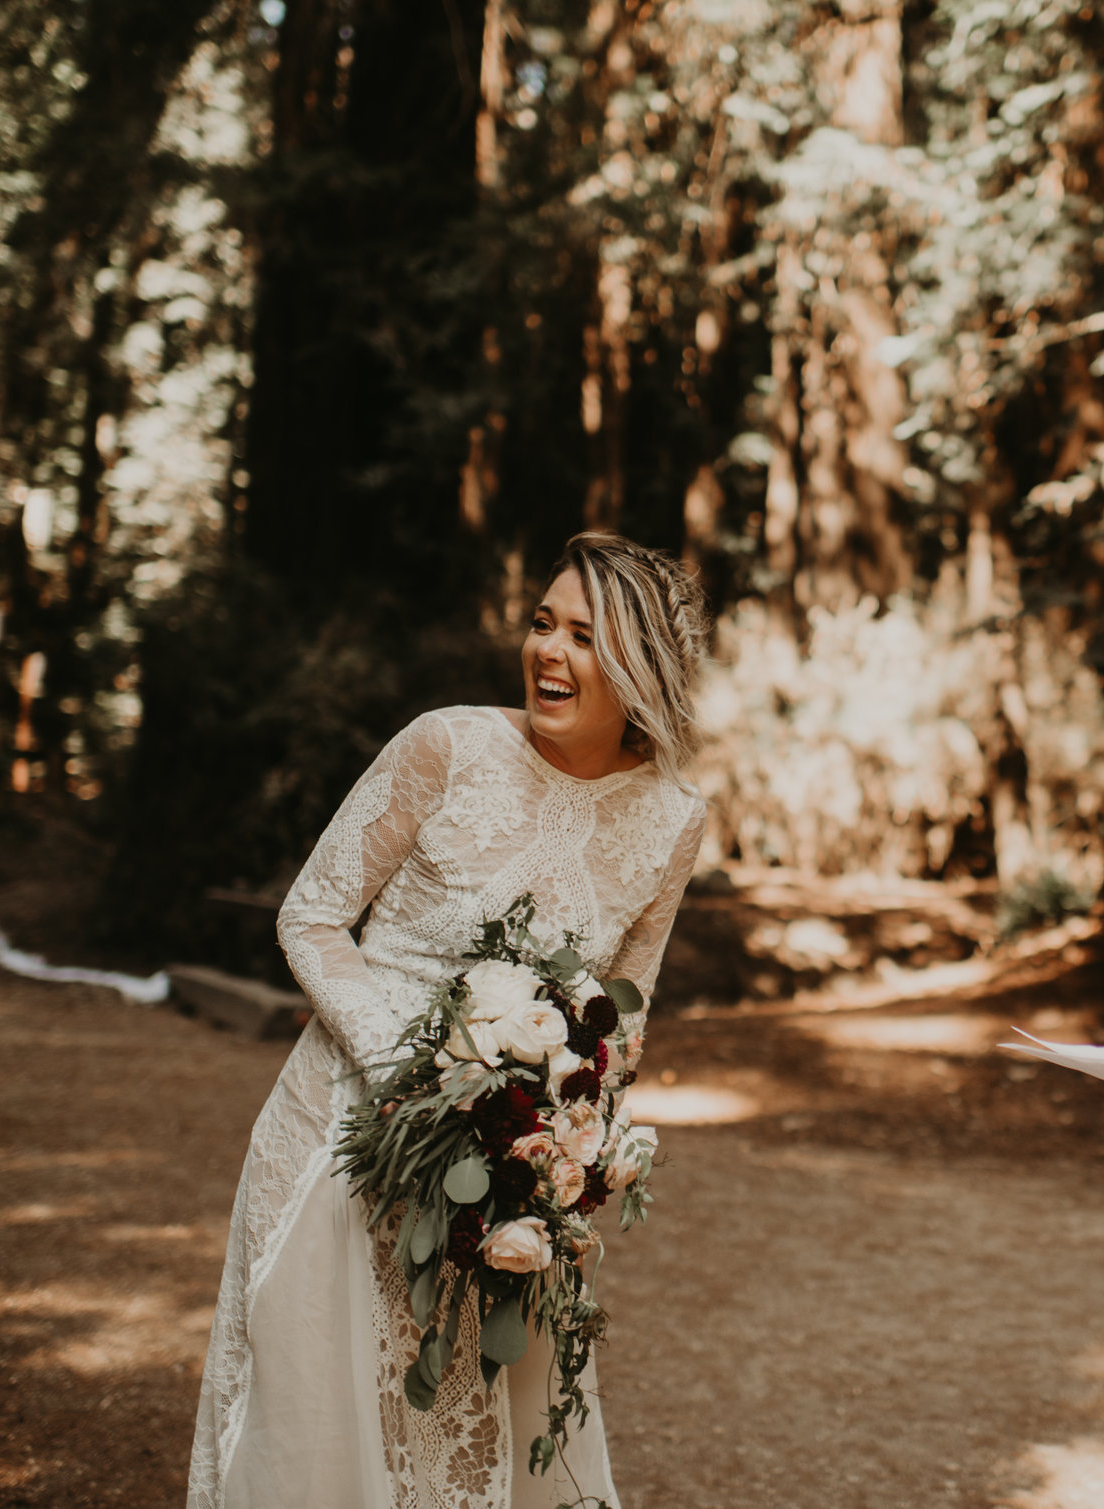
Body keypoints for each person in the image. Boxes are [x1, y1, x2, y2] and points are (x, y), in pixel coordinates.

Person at [188, 532, 711, 1509]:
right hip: (342, 1139)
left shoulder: (674, 815)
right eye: (541, 623)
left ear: (645, 665)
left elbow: (619, 1015)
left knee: (475, 1425)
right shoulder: (448, 744)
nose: (547, 651)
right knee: (316, 1420)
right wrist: (412, 1076)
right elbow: (310, 915)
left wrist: (569, 1151)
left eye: (584, 636)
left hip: (502, 1183)